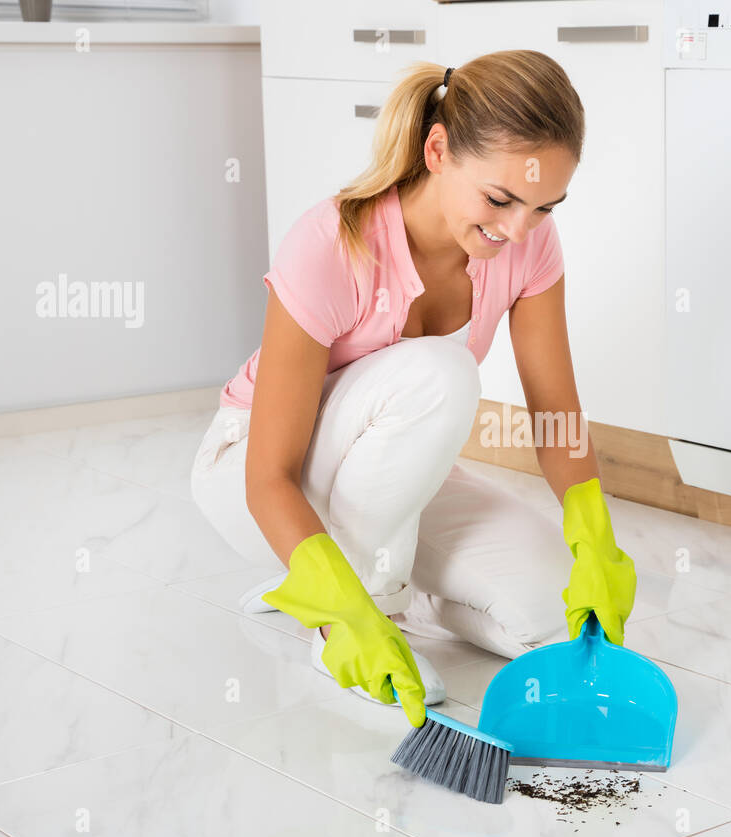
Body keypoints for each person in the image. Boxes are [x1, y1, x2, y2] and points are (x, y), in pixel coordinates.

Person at [190, 51, 636, 728]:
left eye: (544, 208)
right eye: (500, 198)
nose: (518, 230)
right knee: (442, 374)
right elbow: (268, 478)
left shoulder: (529, 246)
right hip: (251, 470)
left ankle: (379, 577)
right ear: (437, 150)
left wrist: (594, 535)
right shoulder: (333, 242)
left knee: (552, 612)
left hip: (391, 479)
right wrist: (348, 615)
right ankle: (345, 611)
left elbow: (556, 420)